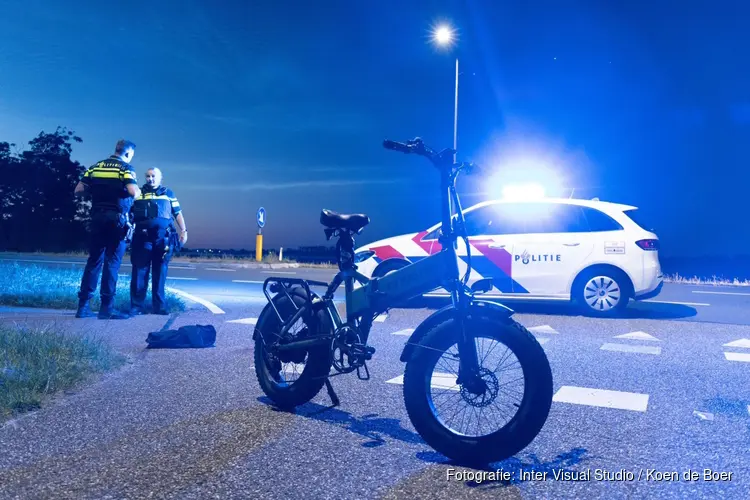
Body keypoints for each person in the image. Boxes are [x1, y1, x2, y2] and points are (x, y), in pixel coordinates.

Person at [74, 139, 141, 319]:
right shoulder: (125, 168)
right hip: (117, 220)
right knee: (112, 262)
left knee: (94, 260)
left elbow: (79, 190)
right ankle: (106, 308)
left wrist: (97, 192)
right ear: (128, 153)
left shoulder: (96, 166)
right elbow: (134, 192)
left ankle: (83, 307)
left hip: (96, 217)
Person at [129, 167, 188, 315]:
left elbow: (178, 213)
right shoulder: (138, 193)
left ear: (160, 177)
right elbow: (129, 213)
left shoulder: (168, 193)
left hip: (163, 239)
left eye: (154, 176)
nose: (151, 179)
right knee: (139, 272)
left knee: (160, 271)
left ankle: (159, 306)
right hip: (142, 238)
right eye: (148, 176)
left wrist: (184, 231)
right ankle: (137, 306)